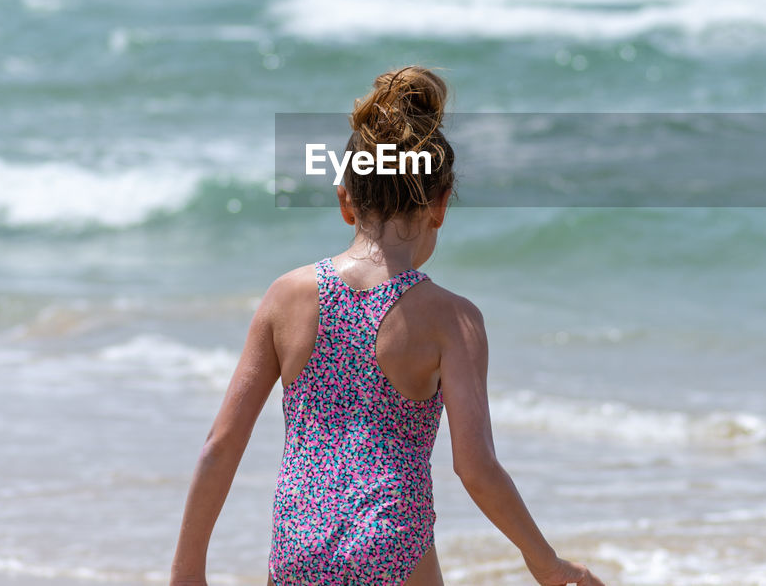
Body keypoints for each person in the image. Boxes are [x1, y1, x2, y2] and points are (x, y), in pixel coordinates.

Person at [169, 66, 603, 586]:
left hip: (297, 542)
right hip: (392, 540)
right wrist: (545, 562)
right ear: (441, 205)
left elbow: (220, 445)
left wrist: (187, 572)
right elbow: (476, 469)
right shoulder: (453, 319)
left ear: (345, 200)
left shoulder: (285, 297)